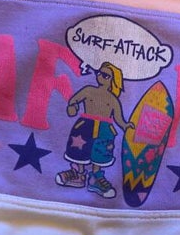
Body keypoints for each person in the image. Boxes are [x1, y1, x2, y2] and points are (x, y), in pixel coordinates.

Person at [56, 61, 134, 198]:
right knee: (79, 150)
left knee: (101, 152)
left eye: (105, 75)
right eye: (99, 73)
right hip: (85, 125)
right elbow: (74, 100)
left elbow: (118, 118)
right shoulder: (89, 90)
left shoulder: (113, 99)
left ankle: (95, 178)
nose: (100, 76)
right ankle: (78, 174)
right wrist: (72, 107)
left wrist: (126, 126)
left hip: (105, 129)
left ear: (113, 81)